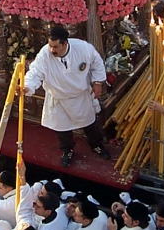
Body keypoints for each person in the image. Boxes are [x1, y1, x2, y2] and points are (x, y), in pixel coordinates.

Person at [23, 26, 110, 167]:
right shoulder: (45, 54)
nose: (52, 50)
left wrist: (98, 82)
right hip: (58, 98)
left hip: (79, 96)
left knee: (90, 125)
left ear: (65, 44)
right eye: (50, 45)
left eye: (55, 46)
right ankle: (67, 150)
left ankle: (97, 146)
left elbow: (97, 62)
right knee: (62, 130)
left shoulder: (83, 48)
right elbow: (35, 73)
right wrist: (27, 87)